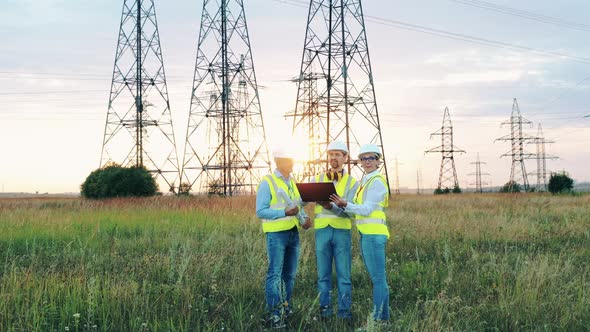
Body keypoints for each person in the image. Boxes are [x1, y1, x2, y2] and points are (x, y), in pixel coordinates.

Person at [330, 143, 390, 322]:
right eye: (364, 158)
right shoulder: (366, 180)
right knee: (377, 279)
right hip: (367, 234)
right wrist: (336, 206)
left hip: (373, 235)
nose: (367, 161)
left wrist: (345, 204)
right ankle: (382, 318)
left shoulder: (377, 181)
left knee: (378, 280)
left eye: (371, 158)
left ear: (378, 161)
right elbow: (356, 210)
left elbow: (366, 209)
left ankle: (379, 321)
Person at [256, 147, 312, 329]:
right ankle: (274, 314)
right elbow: (260, 211)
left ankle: (285, 308)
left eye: (292, 159)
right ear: (278, 162)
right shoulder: (268, 182)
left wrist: (304, 218)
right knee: (275, 274)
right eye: (288, 160)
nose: (292, 163)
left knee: (289, 275)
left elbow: (296, 205)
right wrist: (283, 212)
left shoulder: (292, 182)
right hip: (276, 234)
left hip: (293, 233)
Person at [311, 141, 359, 320]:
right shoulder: (317, 179)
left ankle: (344, 314)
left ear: (345, 158)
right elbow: (304, 200)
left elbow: (352, 213)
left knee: (344, 275)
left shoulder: (353, 183)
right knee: (323, 275)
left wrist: (331, 207)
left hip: (342, 232)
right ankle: (325, 312)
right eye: (331, 154)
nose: (333, 158)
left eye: (338, 154)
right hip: (322, 232)